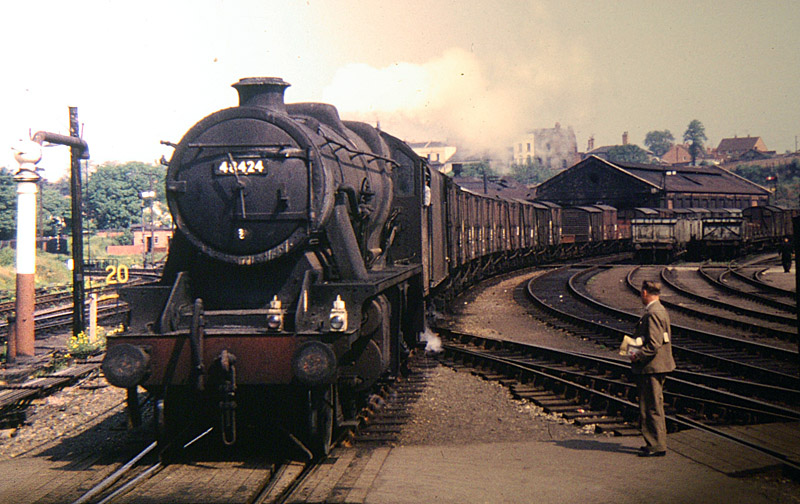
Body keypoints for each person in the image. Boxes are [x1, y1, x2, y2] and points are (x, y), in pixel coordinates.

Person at [629, 280, 675, 457]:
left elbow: (654, 344)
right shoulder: (660, 310)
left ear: (645, 293)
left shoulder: (653, 313)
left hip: (652, 367)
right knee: (654, 405)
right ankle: (655, 443)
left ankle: (656, 445)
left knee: (651, 406)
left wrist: (637, 355)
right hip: (657, 366)